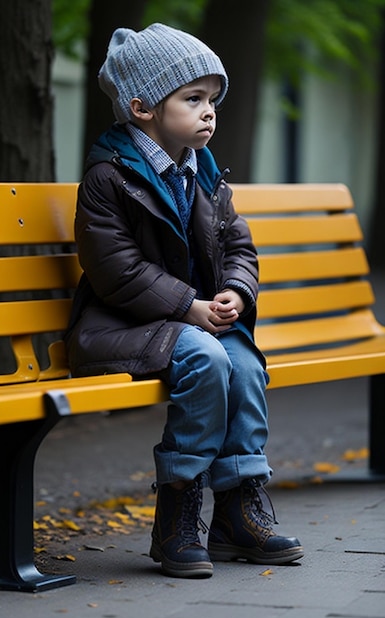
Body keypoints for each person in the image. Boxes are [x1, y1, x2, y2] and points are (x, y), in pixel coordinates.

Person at [66, 23, 304, 578]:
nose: (208, 112)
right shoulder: (109, 177)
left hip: (189, 320)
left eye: (212, 100)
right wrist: (187, 308)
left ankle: (238, 512)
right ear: (143, 106)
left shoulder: (205, 174)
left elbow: (238, 245)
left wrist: (234, 294)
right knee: (207, 357)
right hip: (121, 322)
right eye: (192, 99)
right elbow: (116, 271)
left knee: (243, 361)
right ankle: (178, 513)